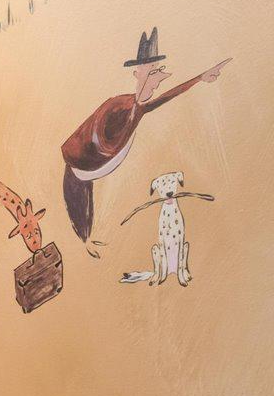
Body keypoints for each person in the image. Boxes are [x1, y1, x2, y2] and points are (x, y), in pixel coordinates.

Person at [60, 31, 227, 252]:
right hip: (79, 172)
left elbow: (165, 97)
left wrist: (200, 78)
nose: (155, 83)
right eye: (151, 74)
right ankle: (85, 244)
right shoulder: (119, 106)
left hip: (89, 173)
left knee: (85, 218)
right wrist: (112, 150)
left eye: (158, 74)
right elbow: (96, 133)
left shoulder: (137, 108)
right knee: (81, 217)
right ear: (137, 73)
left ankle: (87, 241)